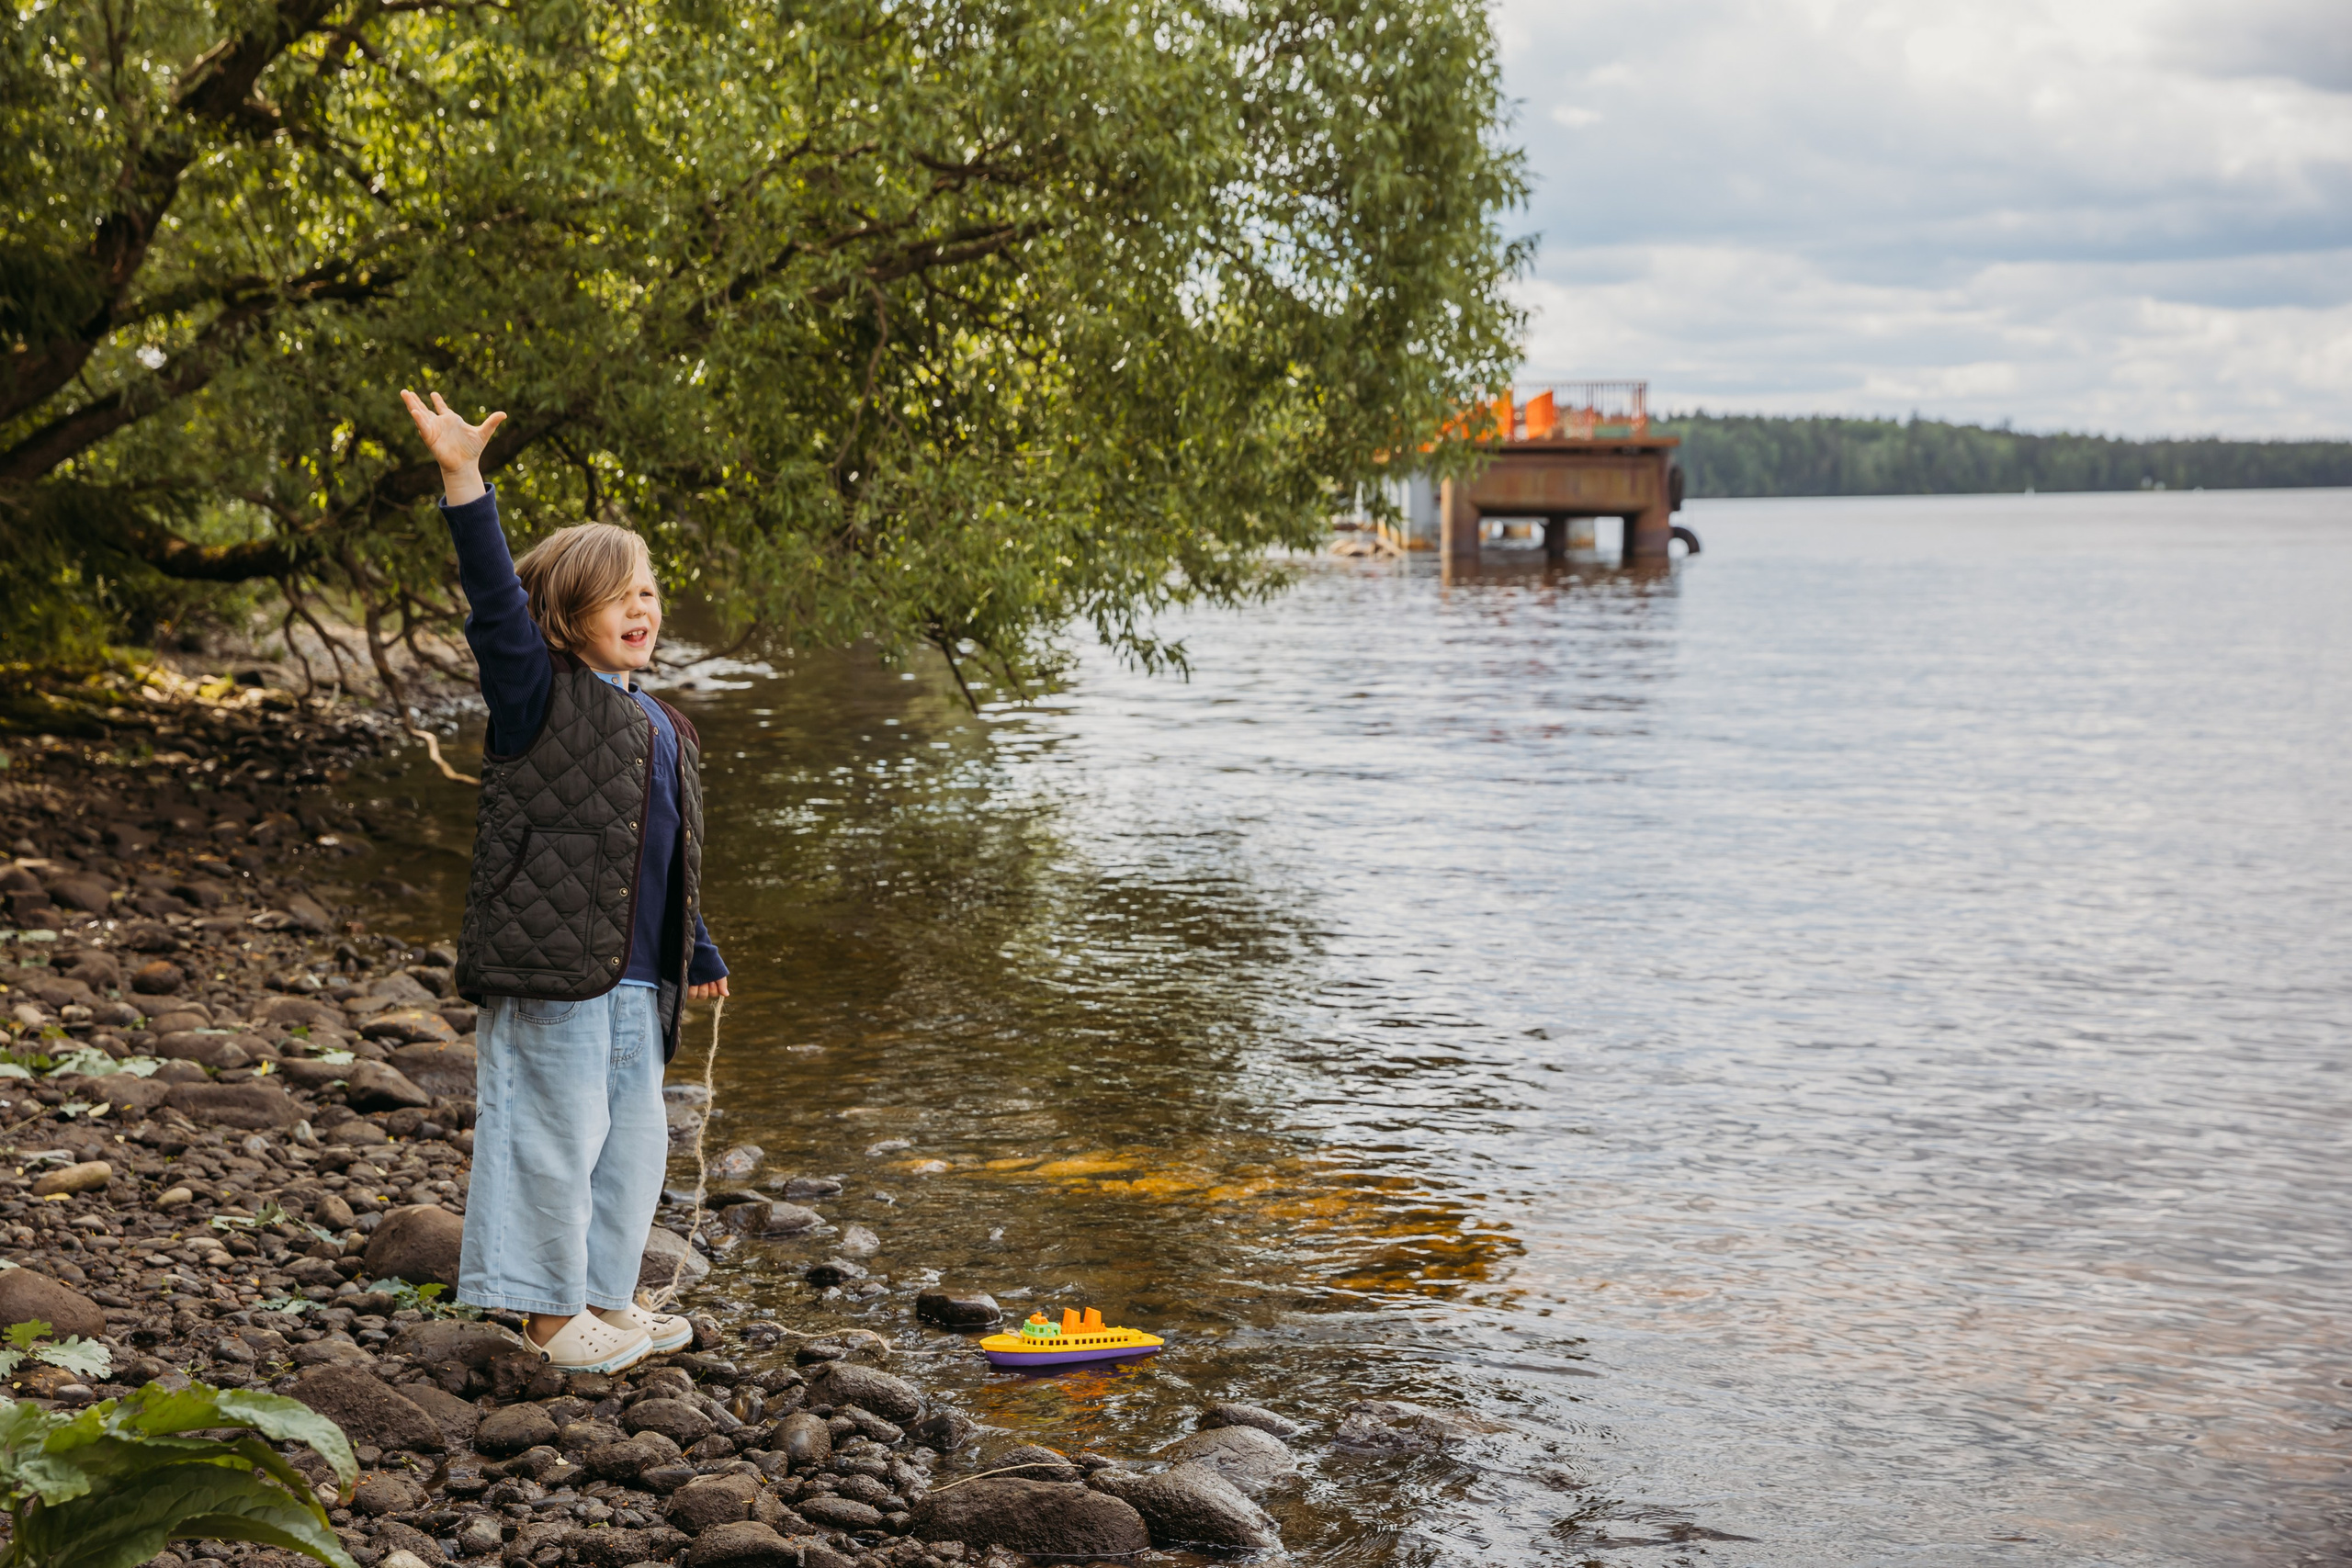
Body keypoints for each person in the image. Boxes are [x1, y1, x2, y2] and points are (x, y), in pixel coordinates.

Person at [401, 389, 729, 1372]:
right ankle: (545, 1320)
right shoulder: (533, 694)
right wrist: (465, 479)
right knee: (551, 1139)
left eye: (650, 592)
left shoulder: (664, 725)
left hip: (637, 980)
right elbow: (494, 599)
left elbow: (665, 852)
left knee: (633, 1149)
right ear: (560, 614)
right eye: (620, 593)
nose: (644, 607)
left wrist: (698, 944)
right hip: (549, 970)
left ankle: (599, 1301)